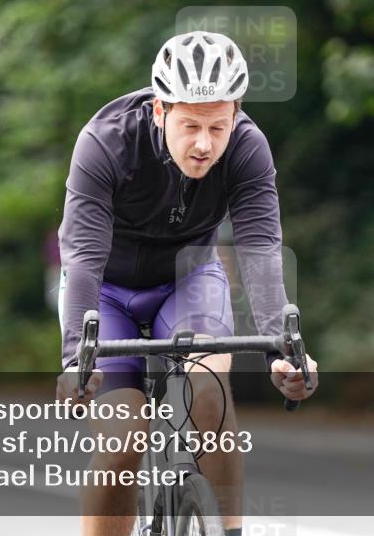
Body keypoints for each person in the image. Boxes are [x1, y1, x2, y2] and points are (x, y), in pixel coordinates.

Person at [56, 30, 319, 536]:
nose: (204, 143)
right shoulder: (105, 141)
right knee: (122, 437)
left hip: (189, 279)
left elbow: (260, 249)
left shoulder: (247, 147)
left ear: (236, 114)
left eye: (218, 126)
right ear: (160, 111)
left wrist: (283, 350)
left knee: (210, 394)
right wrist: (75, 361)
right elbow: (83, 257)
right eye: (190, 125)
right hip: (105, 289)